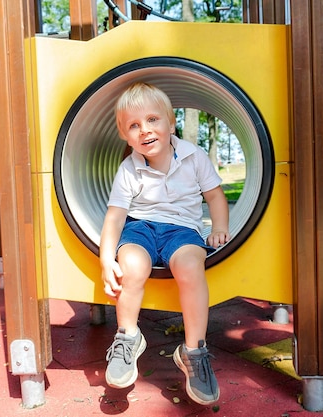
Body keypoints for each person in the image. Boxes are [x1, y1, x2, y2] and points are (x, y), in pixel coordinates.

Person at [100, 82, 231, 405]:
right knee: (131, 266)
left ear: (171, 124)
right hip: (140, 228)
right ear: (125, 135)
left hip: (182, 230)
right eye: (134, 125)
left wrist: (219, 229)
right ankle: (128, 337)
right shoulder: (129, 168)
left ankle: (193, 350)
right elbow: (115, 217)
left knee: (190, 265)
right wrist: (106, 259)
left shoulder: (193, 156)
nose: (144, 130)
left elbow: (214, 196)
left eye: (153, 120)